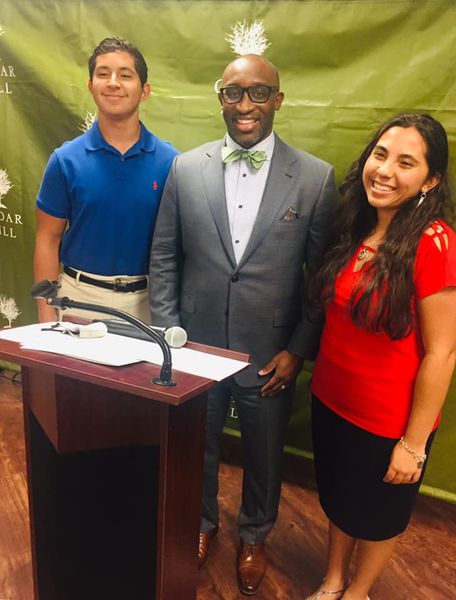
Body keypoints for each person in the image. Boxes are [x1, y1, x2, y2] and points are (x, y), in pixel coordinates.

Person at [149, 53, 338, 595]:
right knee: (198, 446)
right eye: (234, 93)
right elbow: (164, 256)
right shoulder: (185, 168)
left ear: (278, 100)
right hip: (195, 346)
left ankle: (255, 534)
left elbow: (320, 278)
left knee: (264, 452)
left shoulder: (315, 179)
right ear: (220, 98)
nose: (245, 105)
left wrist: (298, 349)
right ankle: (202, 524)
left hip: (270, 351)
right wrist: (170, 338)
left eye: (259, 93)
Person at [307, 113, 456, 600]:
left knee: (377, 515)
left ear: (431, 180)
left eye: (406, 162)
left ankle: (358, 593)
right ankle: (332, 581)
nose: (386, 170)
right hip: (331, 401)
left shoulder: (435, 243)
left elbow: (443, 352)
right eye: (380, 154)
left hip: (388, 421)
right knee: (338, 499)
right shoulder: (355, 224)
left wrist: (412, 445)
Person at [34, 37, 178, 323]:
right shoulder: (65, 160)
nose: (113, 82)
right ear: (90, 86)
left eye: (125, 75)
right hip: (78, 299)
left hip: (147, 304)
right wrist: (47, 318)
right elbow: (47, 240)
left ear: (144, 91)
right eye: (103, 73)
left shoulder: (171, 162)